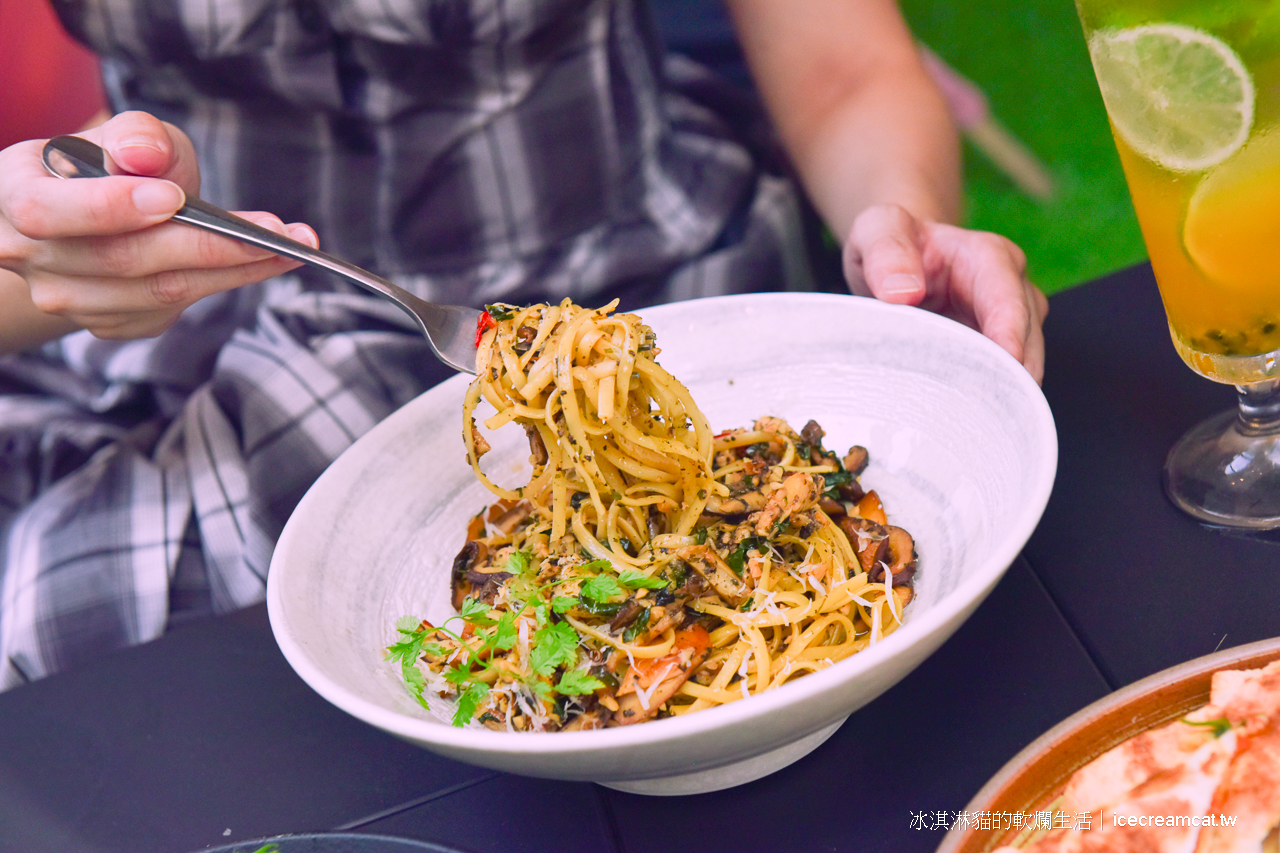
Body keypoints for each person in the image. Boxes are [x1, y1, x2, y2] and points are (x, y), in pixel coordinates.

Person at [0, 0, 1047, 690]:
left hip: (632, 290)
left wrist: (899, 224)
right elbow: (40, 199)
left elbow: (843, 72)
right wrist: (48, 252)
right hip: (189, 333)